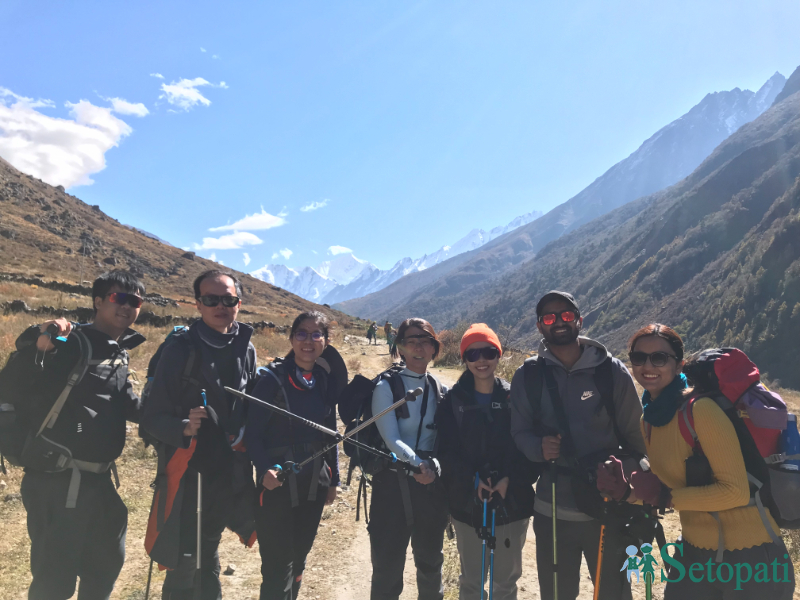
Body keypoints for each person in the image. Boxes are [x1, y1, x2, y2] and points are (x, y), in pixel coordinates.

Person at [604, 323, 796, 599]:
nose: (648, 365)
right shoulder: (649, 420)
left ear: (679, 364)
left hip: (753, 557)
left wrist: (666, 497)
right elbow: (672, 489)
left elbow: (735, 491)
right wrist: (627, 491)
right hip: (694, 555)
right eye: (639, 357)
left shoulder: (699, 411)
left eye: (659, 357)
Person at [14, 270, 146, 600]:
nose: (127, 306)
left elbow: (127, 404)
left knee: (104, 566)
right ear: (98, 301)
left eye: (135, 301)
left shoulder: (118, 351)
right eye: (118, 298)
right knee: (54, 581)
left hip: (97, 481)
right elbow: (34, 343)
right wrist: (48, 331)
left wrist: (175, 420)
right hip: (58, 479)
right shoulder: (74, 341)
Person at [509, 290, 645, 600]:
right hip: (552, 510)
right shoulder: (528, 376)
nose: (558, 322)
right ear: (540, 326)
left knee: (613, 593)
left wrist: (628, 481)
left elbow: (638, 440)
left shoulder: (610, 372)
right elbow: (519, 432)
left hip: (608, 511)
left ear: (579, 321)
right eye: (549, 317)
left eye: (566, 315)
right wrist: (537, 448)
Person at [141, 270, 257, 600]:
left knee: (207, 548)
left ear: (238, 303)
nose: (220, 306)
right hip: (188, 469)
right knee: (184, 558)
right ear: (198, 304)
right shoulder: (180, 349)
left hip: (228, 469)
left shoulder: (246, 348)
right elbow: (151, 416)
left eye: (228, 299)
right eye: (211, 300)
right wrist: (183, 426)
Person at [435, 323, 535, 600]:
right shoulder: (451, 402)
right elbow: (445, 453)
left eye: (489, 352)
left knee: (505, 583)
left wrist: (509, 479)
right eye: (473, 354)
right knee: (471, 583)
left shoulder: (517, 397)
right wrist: (472, 479)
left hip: (511, 503)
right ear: (464, 358)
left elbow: (528, 448)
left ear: (498, 355)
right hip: (468, 505)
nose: (481, 360)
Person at [245, 311, 340, 600]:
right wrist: (264, 469)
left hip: (314, 483)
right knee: (276, 566)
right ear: (291, 338)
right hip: (277, 483)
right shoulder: (272, 379)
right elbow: (252, 434)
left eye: (315, 334)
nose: (308, 341)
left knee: (299, 559)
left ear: (325, 341)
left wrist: (333, 479)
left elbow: (331, 433)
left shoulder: (323, 381)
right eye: (301, 333)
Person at [369, 318, 448, 600]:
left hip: (429, 487)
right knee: (387, 569)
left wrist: (434, 467)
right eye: (411, 341)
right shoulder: (386, 386)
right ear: (400, 347)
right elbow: (391, 439)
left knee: (430, 564)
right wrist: (421, 465)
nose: (418, 346)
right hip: (392, 486)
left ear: (434, 349)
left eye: (425, 340)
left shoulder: (439, 389)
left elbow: (447, 441)